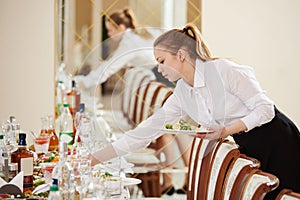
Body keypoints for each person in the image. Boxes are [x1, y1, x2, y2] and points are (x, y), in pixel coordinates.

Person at [90, 22, 300, 199]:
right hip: (248, 142)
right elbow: (146, 131)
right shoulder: (183, 91)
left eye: (162, 62)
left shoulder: (223, 70)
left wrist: (226, 130)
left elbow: (266, 110)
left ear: (181, 54)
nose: (159, 69)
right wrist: (95, 158)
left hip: (277, 137)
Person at [74, 7, 171, 89]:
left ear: (121, 27)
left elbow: (110, 67)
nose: (109, 34)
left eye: (110, 30)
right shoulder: (141, 32)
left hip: (163, 76)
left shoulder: (130, 41)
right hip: (168, 69)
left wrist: (83, 82)